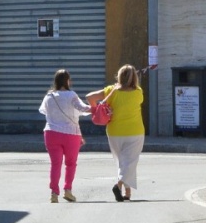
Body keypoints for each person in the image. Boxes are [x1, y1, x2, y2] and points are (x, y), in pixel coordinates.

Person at [88, 63, 147, 202]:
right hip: (135, 131)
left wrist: (96, 110)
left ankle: (127, 193)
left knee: (123, 163)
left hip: (114, 131)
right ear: (134, 78)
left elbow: (90, 97)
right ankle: (118, 185)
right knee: (130, 162)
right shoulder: (138, 92)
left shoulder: (110, 90)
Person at [39, 68, 91, 203]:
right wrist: (96, 107)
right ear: (68, 81)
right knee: (71, 164)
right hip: (71, 134)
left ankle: (54, 193)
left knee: (55, 164)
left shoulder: (49, 96)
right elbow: (82, 108)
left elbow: (44, 111)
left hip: (51, 133)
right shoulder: (71, 95)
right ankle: (67, 190)